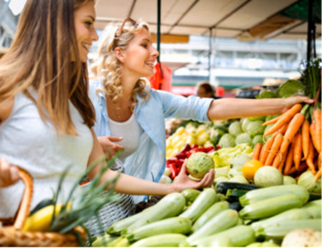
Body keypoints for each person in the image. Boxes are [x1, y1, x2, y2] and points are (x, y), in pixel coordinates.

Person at [0, 0, 214, 226]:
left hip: (66, 235)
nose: (94, 35)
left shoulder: (74, 93)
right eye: (88, 23)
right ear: (55, 22)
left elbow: (104, 176)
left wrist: (172, 188)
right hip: (6, 233)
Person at [89, 18, 314, 203]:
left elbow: (211, 107)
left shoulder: (151, 100)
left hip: (124, 204)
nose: (155, 52)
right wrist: (86, 145)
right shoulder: (86, 96)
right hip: (80, 207)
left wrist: (283, 104)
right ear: (120, 53)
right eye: (145, 44)